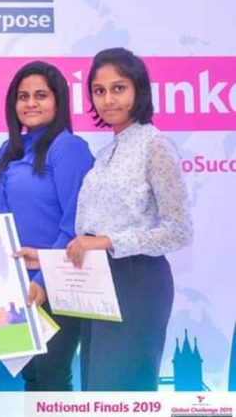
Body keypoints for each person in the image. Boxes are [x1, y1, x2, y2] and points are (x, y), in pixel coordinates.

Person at [0, 61, 94, 391]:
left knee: (52, 377)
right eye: (23, 96)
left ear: (58, 101)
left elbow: (77, 221)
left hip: (59, 281)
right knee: (31, 377)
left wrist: (45, 279)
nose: (30, 103)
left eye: (41, 95)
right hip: (15, 282)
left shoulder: (69, 148)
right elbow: (1, 207)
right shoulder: (9, 149)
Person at [66, 47, 192, 390]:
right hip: (99, 283)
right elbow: (92, 228)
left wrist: (108, 241)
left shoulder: (156, 146)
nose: (108, 99)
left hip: (138, 281)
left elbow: (179, 231)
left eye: (118, 88)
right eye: (99, 90)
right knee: (98, 393)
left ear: (139, 89)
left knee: (124, 393)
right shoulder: (105, 153)